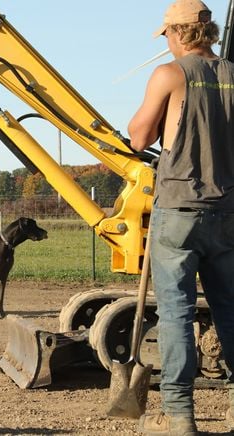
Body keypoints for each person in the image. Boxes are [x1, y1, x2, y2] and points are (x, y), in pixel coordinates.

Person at [129, 0, 234, 433]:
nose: (168, 42)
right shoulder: (232, 74)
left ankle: (179, 415)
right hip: (228, 210)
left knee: (176, 313)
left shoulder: (170, 75)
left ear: (178, 33)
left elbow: (139, 137)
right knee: (230, 310)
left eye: (168, 35)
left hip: (179, 210)